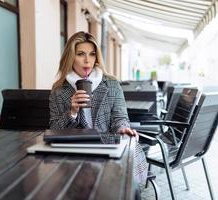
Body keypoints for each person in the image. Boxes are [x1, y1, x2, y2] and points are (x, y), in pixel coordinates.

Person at [49, 31, 147, 184]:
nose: (87, 60)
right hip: (75, 153)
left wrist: (122, 129)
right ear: (71, 57)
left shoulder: (112, 84)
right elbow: (54, 128)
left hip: (107, 147)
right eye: (81, 54)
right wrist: (72, 112)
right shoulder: (59, 90)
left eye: (92, 54)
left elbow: (120, 118)